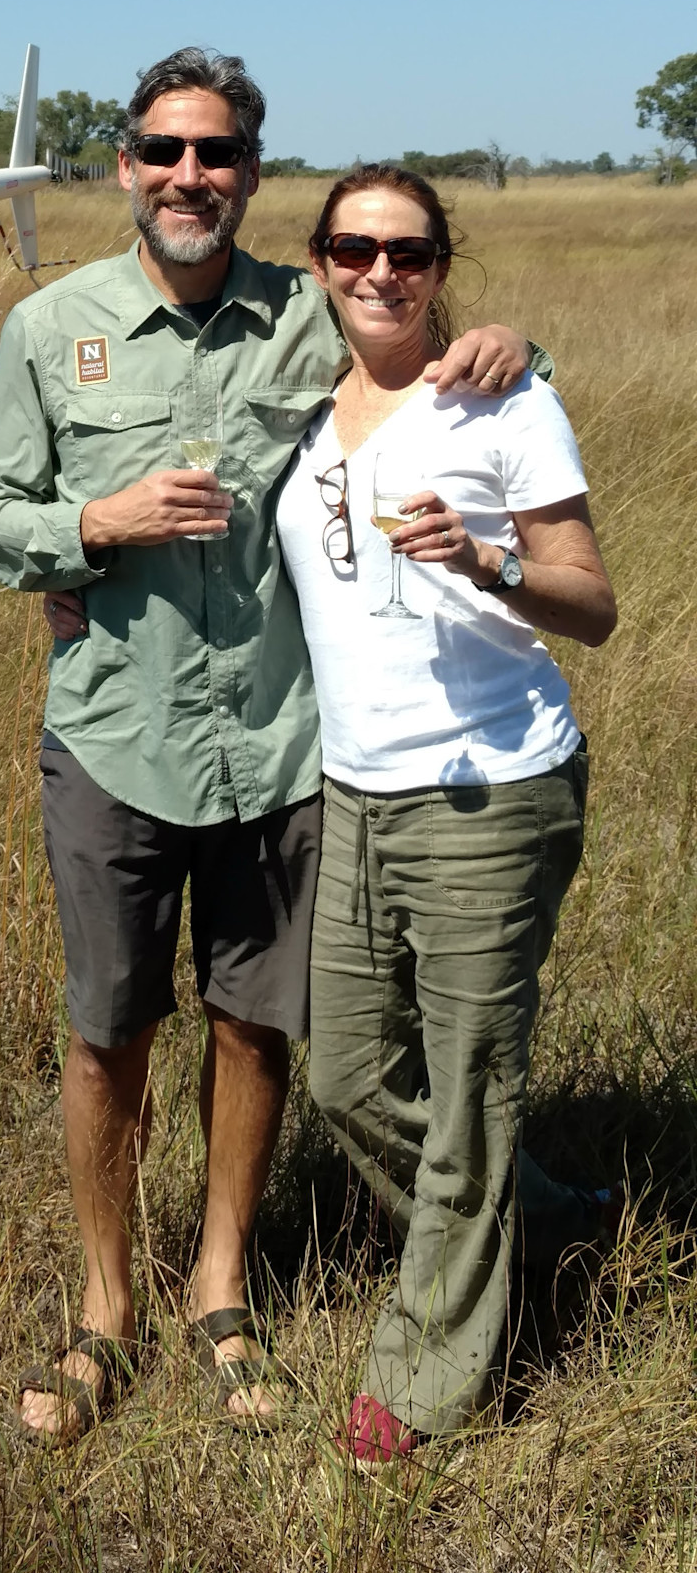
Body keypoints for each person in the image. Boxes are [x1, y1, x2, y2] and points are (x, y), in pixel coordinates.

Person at [0, 48, 539, 1443]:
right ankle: (107, 1305)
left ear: (250, 176)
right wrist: (95, 523)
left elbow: (422, 351)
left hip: (280, 744)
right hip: (115, 739)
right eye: (164, 151)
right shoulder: (50, 327)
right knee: (108, 1030)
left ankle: (222, 1284)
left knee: (253, 1023)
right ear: (124, 166)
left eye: (215, 154)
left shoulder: (305, 312)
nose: (188, 176)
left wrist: (511, 348)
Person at [275, 164, 616, 1468]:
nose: (381, 271)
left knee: (469, 1091)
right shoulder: (294, 403)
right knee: (349, 1076)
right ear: (320, 261)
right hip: (353, 791)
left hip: (492, 790)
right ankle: (538, 1214)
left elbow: (593, 602)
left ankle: (423, 1381)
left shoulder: (502, 397)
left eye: (408, 253)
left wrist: (487, 561)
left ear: (440, 266)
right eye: (354, 247)